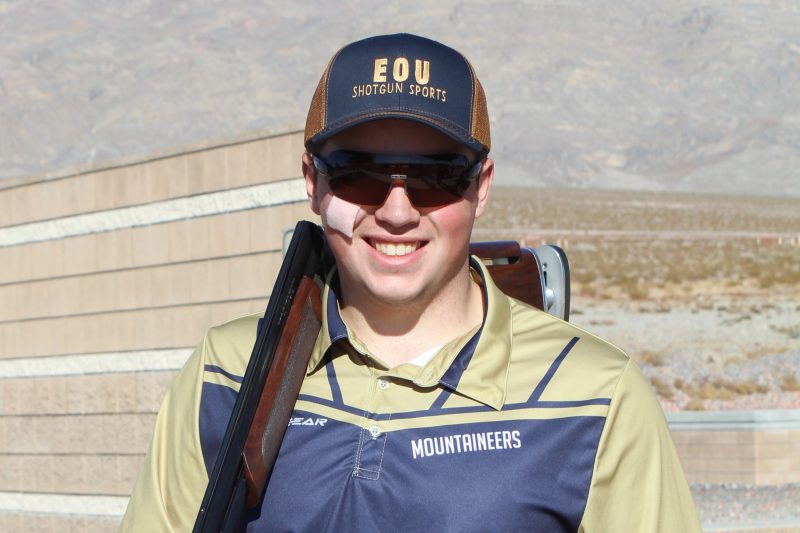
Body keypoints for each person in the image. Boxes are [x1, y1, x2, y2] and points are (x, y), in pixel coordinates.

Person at [121, 33, 700, 532]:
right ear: (312, 182)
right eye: (357, 173)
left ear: (481, 187)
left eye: (437, 176)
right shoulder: (227, 373)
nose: (397, 212)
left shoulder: (598, 397)